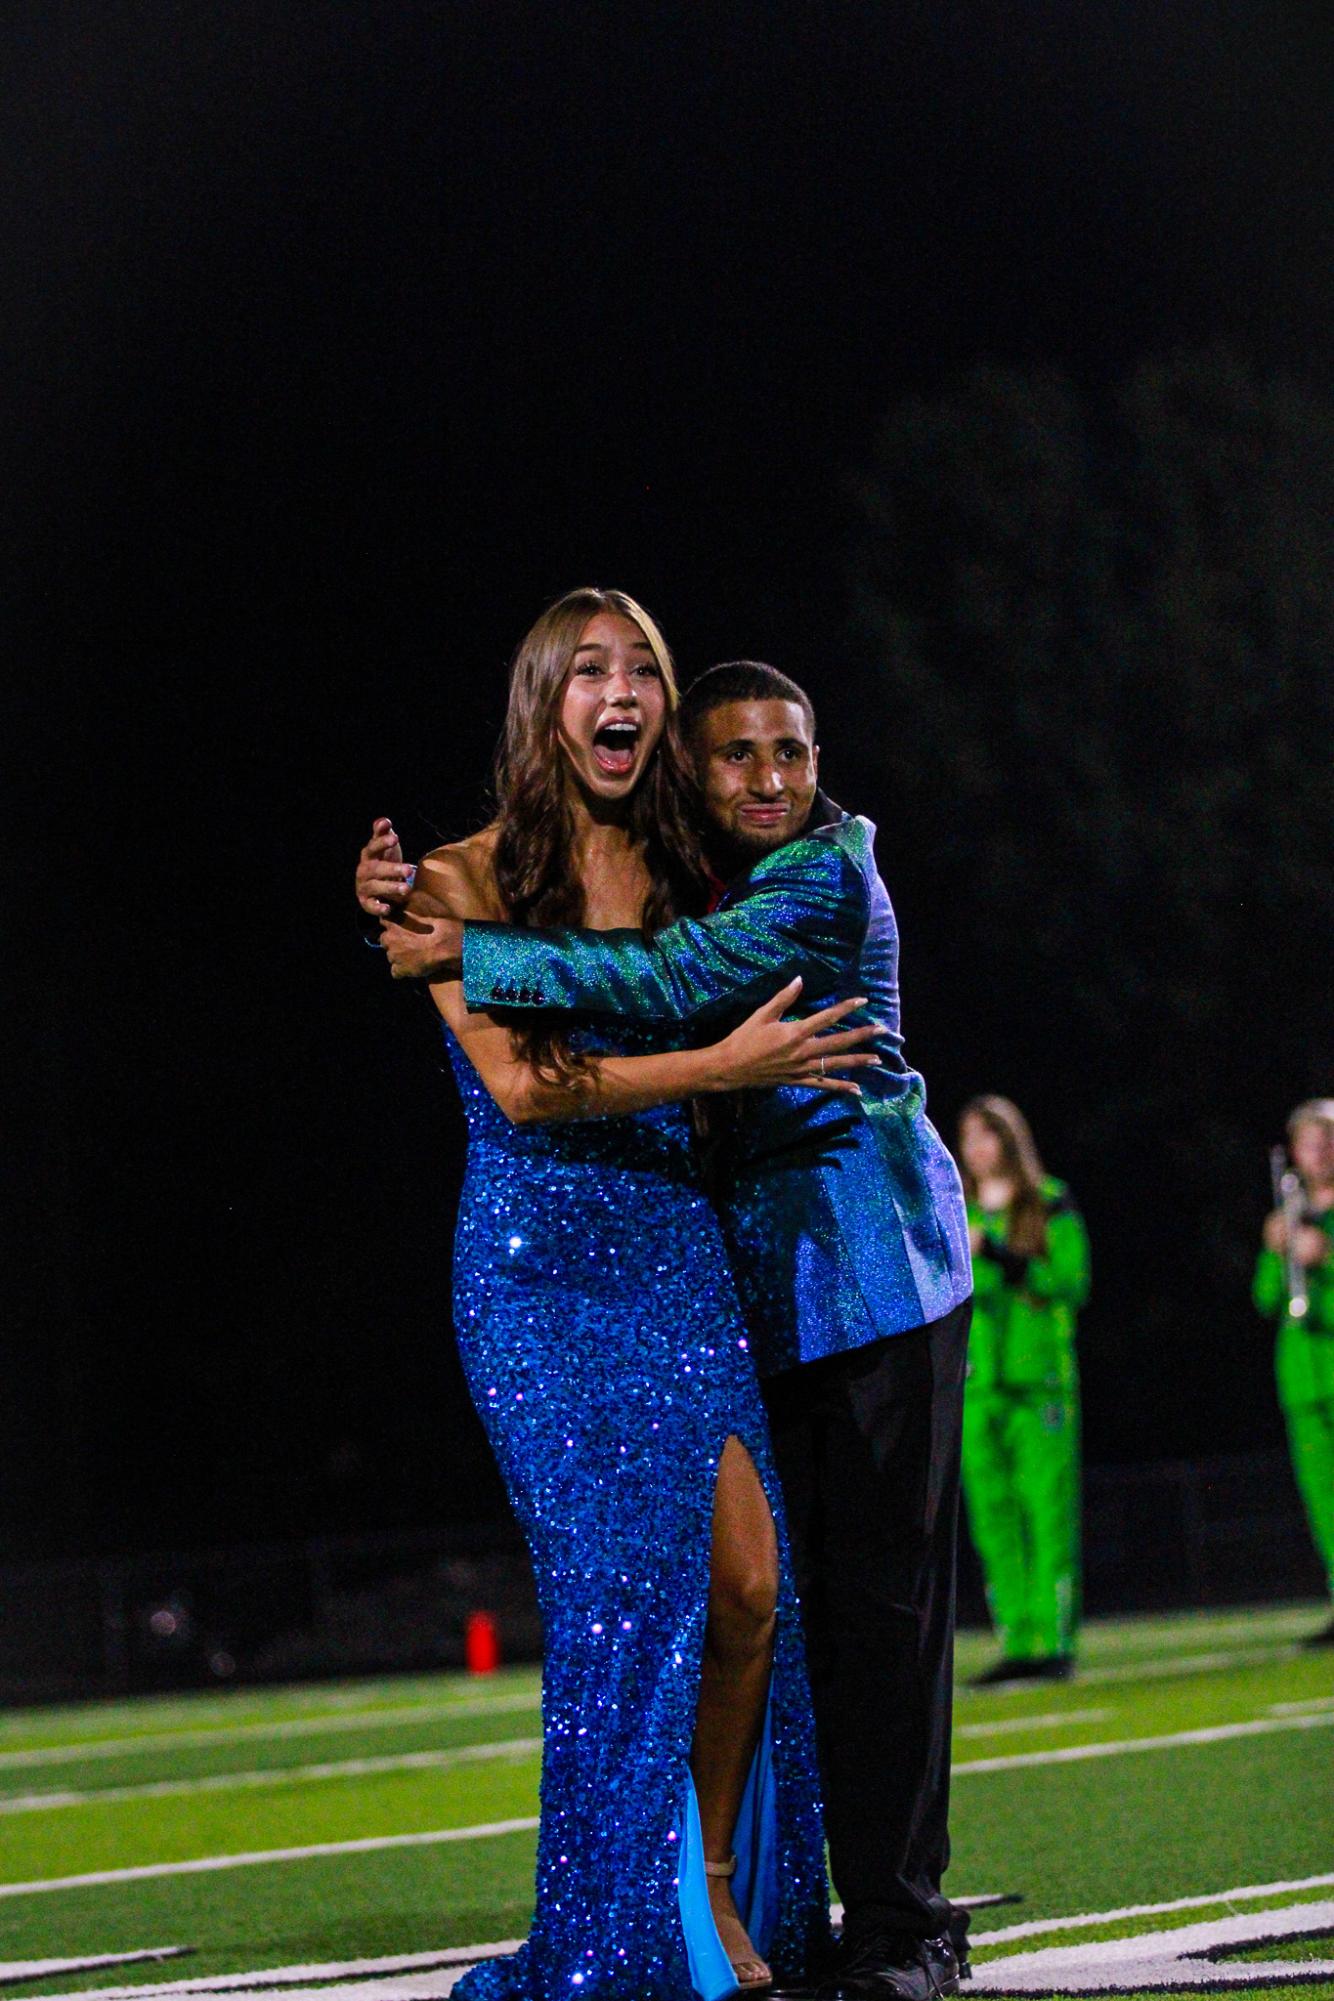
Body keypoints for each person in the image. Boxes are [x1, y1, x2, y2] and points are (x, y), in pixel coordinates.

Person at [363, 660, 974, 2001]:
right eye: (737, 756)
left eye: (791, 754)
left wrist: (468, 947)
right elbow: (546, 1064)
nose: (768, 780)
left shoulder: (812, 874)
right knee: (720, 1609)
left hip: (870, 1273)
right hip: (707, 1282)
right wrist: (420, 904)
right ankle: (708, 1910)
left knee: (856, 1612)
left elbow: (672, 976)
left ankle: (904, 1926)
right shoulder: (643, 867)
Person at [954, 1097, 1089, 1685]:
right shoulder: (953, 1208)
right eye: (969, 1137)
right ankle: (1017, 1639)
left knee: (1047, 1512)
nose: (978, 1148)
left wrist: (1007, 1258)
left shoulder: (1049, 1200)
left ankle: (1053, 1641)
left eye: (989, 1136)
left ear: (1011, 1141)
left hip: (1039, 1385)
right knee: (993, 1519)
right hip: (977, 1385)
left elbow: (1071, 1282)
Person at [1254, 1099, 1334, 1646]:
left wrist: (1325, 1256)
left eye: (1328, 1142)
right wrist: (1276, 1252)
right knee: (1324, 1500)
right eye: (1310, 1144)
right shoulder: (1288, 1213)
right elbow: (1265, 1299)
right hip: (1305, 1379)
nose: (1320, 1154)